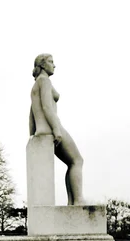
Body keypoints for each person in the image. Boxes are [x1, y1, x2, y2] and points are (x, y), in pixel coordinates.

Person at [30, 54, 84, 205]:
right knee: (77, 160)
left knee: (72, 162)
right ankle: (78, 201)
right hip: (52, 127)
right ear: (42, 65)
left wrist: (32, 135)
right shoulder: (45, 81)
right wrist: (56, 129)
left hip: (41, 130)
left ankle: (72, 202)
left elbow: (31, 113)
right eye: (51, 62)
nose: (54, 65)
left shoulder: (36, 85)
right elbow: (47, 106)